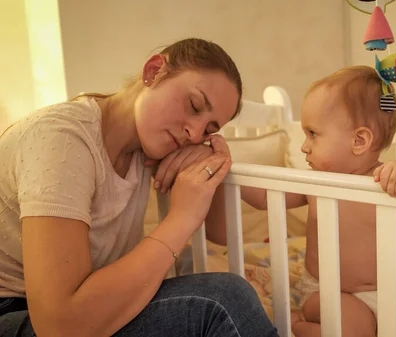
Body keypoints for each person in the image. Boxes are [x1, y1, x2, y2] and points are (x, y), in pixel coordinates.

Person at [0, 38, 278, 337]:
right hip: (19, 312)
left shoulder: (151, 148)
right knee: (222, 299)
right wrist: (181, 218)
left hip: (88, 308)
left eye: (209, 130)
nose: (194, 132)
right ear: (154, 71)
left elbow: (221, 233)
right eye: (194, 105)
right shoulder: (62, 139)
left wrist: (214, 157)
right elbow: (60, 326)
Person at [231, 66, 396, 337]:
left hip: (386, 284)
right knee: (356, 331)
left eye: (313, 133)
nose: (304, 146)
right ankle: (298, 326)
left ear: (359, 140)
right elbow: (266, 197)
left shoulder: (389, 182)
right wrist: (230, 171)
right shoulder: (315, 183)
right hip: (329, 290)